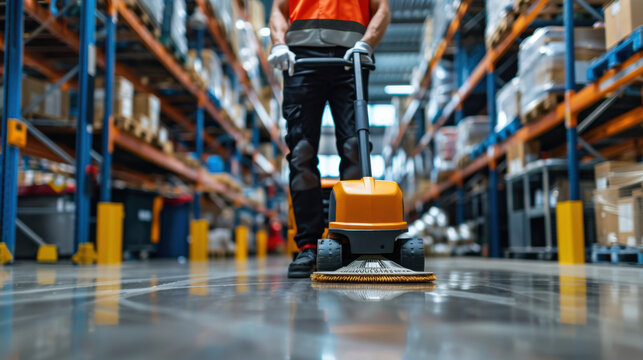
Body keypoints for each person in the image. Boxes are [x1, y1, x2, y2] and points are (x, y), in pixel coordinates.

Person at [268, 0, 391, 278]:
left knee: (354, 147)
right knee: (301, 151)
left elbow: (381, 9)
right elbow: (279, 8)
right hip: (300, 59)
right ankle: (308, 245)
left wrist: (367, 43)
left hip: (351, 57)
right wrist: (278, 43)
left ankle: (349, 240)